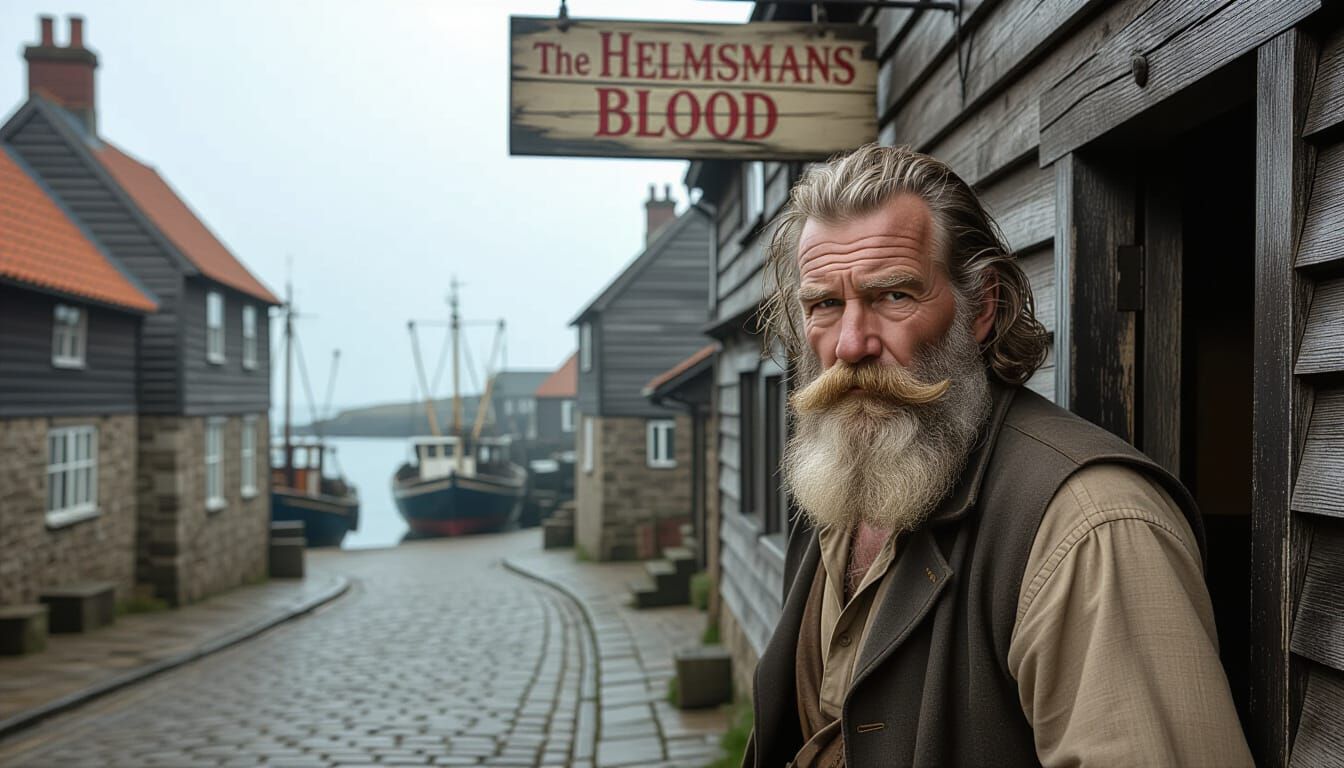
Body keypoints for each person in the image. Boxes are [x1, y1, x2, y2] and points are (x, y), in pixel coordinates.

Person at [743, 144, 1252, 767]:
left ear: (982, 307)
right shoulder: (837, 481)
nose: (851, 344)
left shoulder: (1093, 527)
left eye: (893, 296)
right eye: (824, 304)